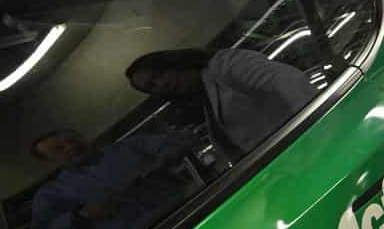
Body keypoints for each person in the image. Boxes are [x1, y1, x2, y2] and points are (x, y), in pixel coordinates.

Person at [29, 128, 199, 229]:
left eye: (72, 139)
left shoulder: (130, 146)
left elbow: (179, 141)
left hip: (188, 214)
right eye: (59, 148)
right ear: (50, 161)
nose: (70, 147)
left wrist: (164, 157)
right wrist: (80, 215)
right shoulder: (51, 193)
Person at [127, 47, 317, 156]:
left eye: (159, 74)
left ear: (172, 63)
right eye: (152, 86)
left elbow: (288, 81)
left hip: (313, 147)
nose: (162, 84)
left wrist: (319, 131)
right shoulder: (205, 101)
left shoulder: (224, 65)